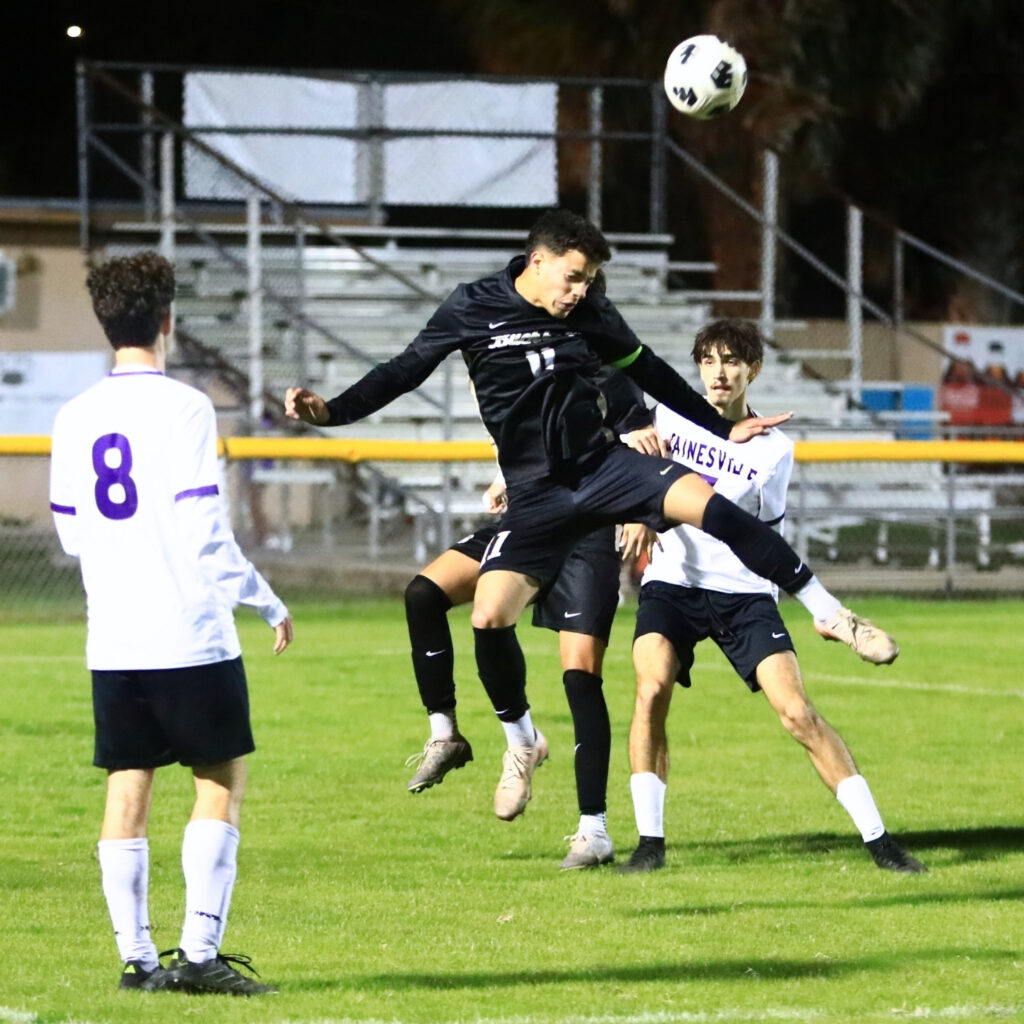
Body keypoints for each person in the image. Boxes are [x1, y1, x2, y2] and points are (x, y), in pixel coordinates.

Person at [285, 208, 896, 825]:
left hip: (603, 470)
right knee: (488, 618)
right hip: (537, 494)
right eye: (574, 277)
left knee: (713, 509)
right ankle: (520, 739)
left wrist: (723, 427)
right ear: (538, 261)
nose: (581, 291)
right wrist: (332, 413)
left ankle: (831, 613)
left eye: (590, 280)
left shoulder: (590, 313)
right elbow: (402, 370)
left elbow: (649, 370)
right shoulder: (471, 307)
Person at [49, 252, 295, 995]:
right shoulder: (186, 407)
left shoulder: (74, 414)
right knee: (218, 779)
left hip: (113, 636)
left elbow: (69, 535)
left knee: (129, 782)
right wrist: (265, 599)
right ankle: (199, 954)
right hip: (187, 630)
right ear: (166, 321)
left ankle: (137, 961)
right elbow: (202, 532)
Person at [621, 318, 924, 874]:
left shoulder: (773, 449)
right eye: (709, 361)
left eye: (732, 361)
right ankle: (649, 846)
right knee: (651, 687)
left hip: (743, 592)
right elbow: (625, 475)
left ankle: (882, 845)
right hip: (672, 584)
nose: (720, 372)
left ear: (752, 371)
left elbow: (767, 535)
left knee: (797, 714)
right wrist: (638, 513)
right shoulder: (662, 417)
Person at [405, 367, 659, 869]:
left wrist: (641, 511)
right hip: (529, 522)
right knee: (425, 594)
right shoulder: (519, 361)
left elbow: (643, 447)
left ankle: (594, 831)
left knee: (581, 676)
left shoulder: (612, 373)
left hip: (589, 534)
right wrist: (506, 478)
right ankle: (477, 737)